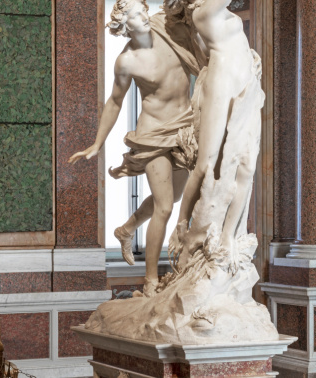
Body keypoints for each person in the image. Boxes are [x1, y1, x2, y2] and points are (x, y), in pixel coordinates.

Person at [69, 0, 197, 296]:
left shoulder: (165, 25)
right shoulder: (126, 61)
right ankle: (151, 279)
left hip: (184, 127)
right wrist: (97, 143)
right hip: (152, 133)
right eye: (135, 16)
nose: (143, 18)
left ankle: (127, 229)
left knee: (176, 195)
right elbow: (115, 101)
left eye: (142, 11)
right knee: (165, 206)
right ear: (124, 26)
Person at [166, 0, 264, 266]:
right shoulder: (203, 13)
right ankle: (182, 223)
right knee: (206, 164)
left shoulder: (213, 9)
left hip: (246, 84)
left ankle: (229, 236)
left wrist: (252, 58)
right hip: (223, 83)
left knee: (247, 166)